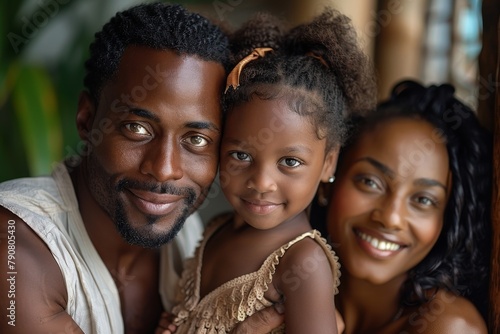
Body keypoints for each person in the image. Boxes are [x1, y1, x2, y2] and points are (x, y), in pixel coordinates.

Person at [0, 3, 231, 333]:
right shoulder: (15, 246)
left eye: (196, 139)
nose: (165, 170)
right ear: (86, 120)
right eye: (137, 128)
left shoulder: (189, 233)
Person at [157, 9, 376, 334]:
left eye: (289, 162)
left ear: (329, 162)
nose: (261, 182)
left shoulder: (303, 263)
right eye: (241, 155)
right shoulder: (217, 230)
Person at [312, 79, 492, 333]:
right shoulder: (276, 290)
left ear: (446, 219)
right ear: (329, 179)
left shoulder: (447, 326)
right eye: (370, 182)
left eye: (423, 200)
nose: (390, 217)